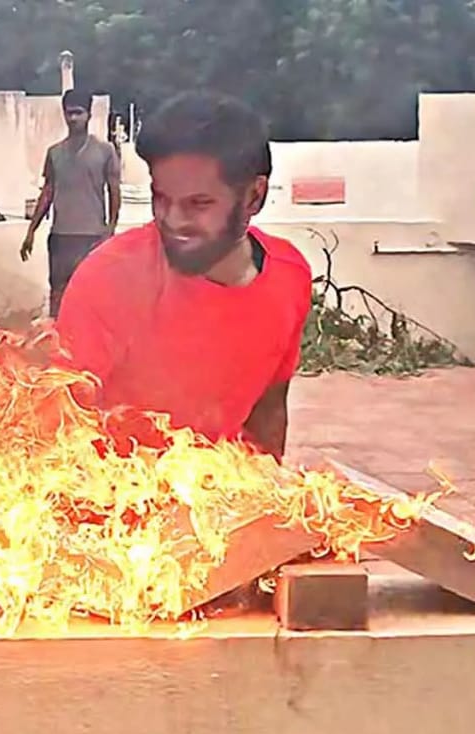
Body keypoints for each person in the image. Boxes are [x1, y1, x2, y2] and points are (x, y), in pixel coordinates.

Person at [55, 92, 312, 459]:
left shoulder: (290, 277)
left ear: (254, 197)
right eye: (160, 198)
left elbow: (268, 411)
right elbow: (62, 430)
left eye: (198, 204)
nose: (173, 220)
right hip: (113, 505)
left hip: (215, 502)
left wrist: (264, 501)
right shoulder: (108, 278)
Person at [21, 88, 122, 317]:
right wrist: (31, 231)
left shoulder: (105, 151)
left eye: (78, 113)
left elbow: (114, 191)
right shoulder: (55, 153)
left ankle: (90, 344)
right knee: (58, 291)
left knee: (93, 293)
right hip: (60, 236)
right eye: (69, 113)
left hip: (92, 237)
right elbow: (47, 192)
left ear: (89, 114)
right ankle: (58, 341)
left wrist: (110, 229)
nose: (73, 118)